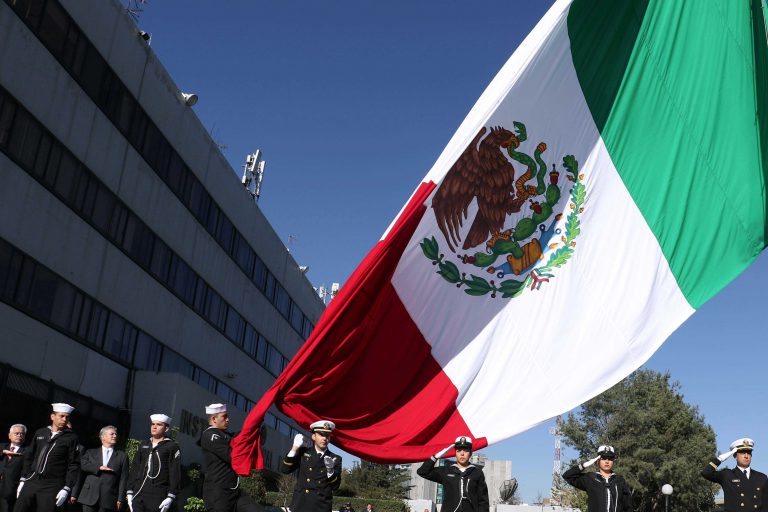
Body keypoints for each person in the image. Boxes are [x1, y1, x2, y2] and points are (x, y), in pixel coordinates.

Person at [15, 404, 80, 512]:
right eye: (62, 416)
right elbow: (29, 456)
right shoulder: (41, 432)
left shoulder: (71, 438)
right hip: (32, 479)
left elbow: (74, 464)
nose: (64, 419)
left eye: (67, 417)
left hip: (52, 484)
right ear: (52, 416)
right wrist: (23, 478)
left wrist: (67, 487)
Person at [200, 404, 261, 512]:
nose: (228, 419)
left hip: (235, 492)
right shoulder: (209, 435)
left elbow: (244, 436)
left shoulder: (227, 435)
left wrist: (256, 423)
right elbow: (232, 456)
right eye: (224, 416)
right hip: (218, 493)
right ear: (214, 419)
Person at [279, 420, 341, 512]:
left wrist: (330, 471)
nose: (324, 438)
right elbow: (285, 469)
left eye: (327, 435)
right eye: (321, 434)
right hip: (301, 504)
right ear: (314, 436)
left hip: (321, 507)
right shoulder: (304, 453)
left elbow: (335, 486)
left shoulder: (335, 458)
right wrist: (294, 448)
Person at [417, 436, 489, 512]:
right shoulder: (446, 471)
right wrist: (435, 457)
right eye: (458, 450)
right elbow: (422, 472)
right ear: (455, 453)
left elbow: (483, 501)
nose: (462, 453)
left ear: (470, 453)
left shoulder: (477, 473)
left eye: (465, 450)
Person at [126, 414, 180, 512]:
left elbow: (175, 472)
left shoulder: (172, 446)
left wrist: (171, 496)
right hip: (139, 492)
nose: (154, 427)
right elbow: (135, 468)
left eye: (159, 425)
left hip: (158, 494)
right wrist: (129, 491)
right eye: (152, 424)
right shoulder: (144, 444)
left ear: (166, 428)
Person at [702, 437, 767, 512]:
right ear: (735, 455)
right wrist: (722, 457)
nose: (746, 456)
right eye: (742, 453)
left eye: (749, 452)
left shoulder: (762, 477)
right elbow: (706, 472)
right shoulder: (727, 475)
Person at [562, 445, 632, 512]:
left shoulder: (620, 481)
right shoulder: (590, 479)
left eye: (610, 459)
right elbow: (567, 476)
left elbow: (628, 507)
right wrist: (584, 465)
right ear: (598, 461)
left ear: (613, 462)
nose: (607, 461)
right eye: (603, 458)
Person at [77, 426, 128, 512]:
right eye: (112, 434)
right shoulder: (91, 452)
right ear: (103, 437)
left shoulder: (122, 456)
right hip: (89, 495)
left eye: (115, 434)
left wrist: (120, 498)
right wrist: (98, 468)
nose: (115, 436)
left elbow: (124, 478)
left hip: (108, 498)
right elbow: (83, 464)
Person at [0, 424, 27, 512]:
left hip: (10, 491)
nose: (19, 435)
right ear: (9, 435)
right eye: (17, 433)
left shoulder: (26, 451)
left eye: (22, 434)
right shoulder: (3, 446)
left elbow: (26, 470)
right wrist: (3, 451)